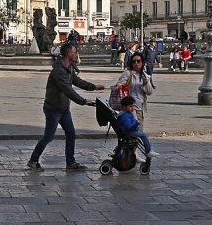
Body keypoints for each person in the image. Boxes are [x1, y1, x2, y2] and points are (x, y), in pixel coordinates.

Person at [26, 43, 105, 172]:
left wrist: (94, 87)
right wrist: (83, 101)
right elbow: (67, 90)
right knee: (49, 136)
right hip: (53, 108)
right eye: (75, 52)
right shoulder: (59, 71)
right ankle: (33, 160)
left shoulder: (69, 67)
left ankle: (70, 163)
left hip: (63, 108)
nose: (76, 54)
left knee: (71, 133)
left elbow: (77, 81)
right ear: (69, 54)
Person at [114, 53, 154, 128]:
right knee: (135, 131)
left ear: (142, 63)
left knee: (139, 131)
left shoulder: (144, 75)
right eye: (134, 61)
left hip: (140, 107)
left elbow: (149, 92)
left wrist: (145, 83)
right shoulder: (128, 73)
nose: (136, 63)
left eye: (138, 61)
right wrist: (119, 85)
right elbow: (120, 83)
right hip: (130, 107)